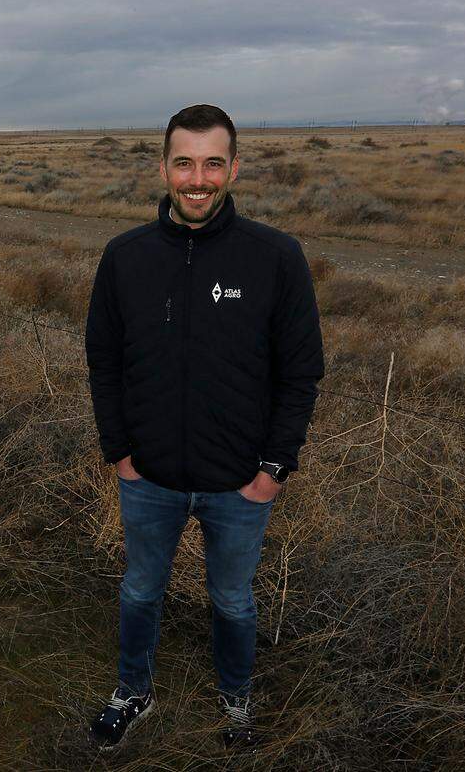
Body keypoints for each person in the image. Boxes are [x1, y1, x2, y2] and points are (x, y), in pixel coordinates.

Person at [84, 104, 324, 751]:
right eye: (184, 163)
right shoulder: (125, 257)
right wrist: (120, 454)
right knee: (139, 589)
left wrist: (273, 470)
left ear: (234, 168)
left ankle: (236, 700)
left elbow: (302, 373)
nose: (198, 178)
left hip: (239, 484)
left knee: (233, 601)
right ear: (162, 168)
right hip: (149, 477)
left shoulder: (274, 257)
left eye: (213, 163)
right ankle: (133, 689)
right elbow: (103, 360)